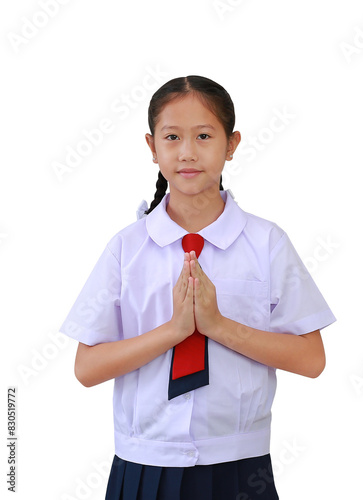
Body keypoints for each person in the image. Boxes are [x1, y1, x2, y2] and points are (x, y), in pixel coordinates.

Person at [59, 75, 336, 500]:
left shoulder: (267, 243)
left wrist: (218, 325)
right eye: (172, 137)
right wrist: (172, 331)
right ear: (152, 148)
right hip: (143, 465)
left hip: (240, 468)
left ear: (232, 144)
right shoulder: (126, 249)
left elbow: (312, 359)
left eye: (204, 136)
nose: (188, 152)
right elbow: (86, 368)